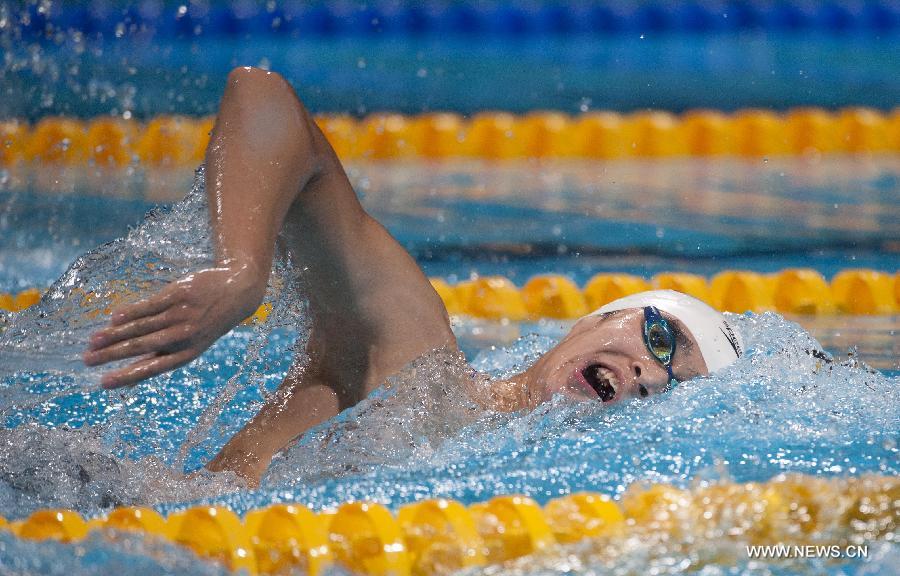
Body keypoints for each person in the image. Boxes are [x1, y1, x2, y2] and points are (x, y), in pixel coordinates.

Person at [82, 67, 743, 485]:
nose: (652, 376)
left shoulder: (527, 499)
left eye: (674, 390)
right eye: (661, 340)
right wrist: (242, 267)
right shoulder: (412, 359)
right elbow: (264, 95)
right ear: (597, 319)